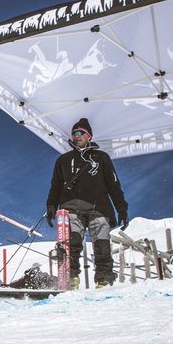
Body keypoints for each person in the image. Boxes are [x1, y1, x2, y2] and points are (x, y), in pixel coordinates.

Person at [45, 117, 128, 289]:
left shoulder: (102, 158)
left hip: (99, 209)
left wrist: (122, 209)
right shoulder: (63, 160)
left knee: (102, 246)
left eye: (81, 133)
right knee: (71, 246)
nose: (77, 136)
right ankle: (72, 279)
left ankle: (104, 280)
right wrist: (51, 206)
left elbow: (114, 185)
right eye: (74, 133)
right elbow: (55, 186)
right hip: (71, 208)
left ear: (89, 136)